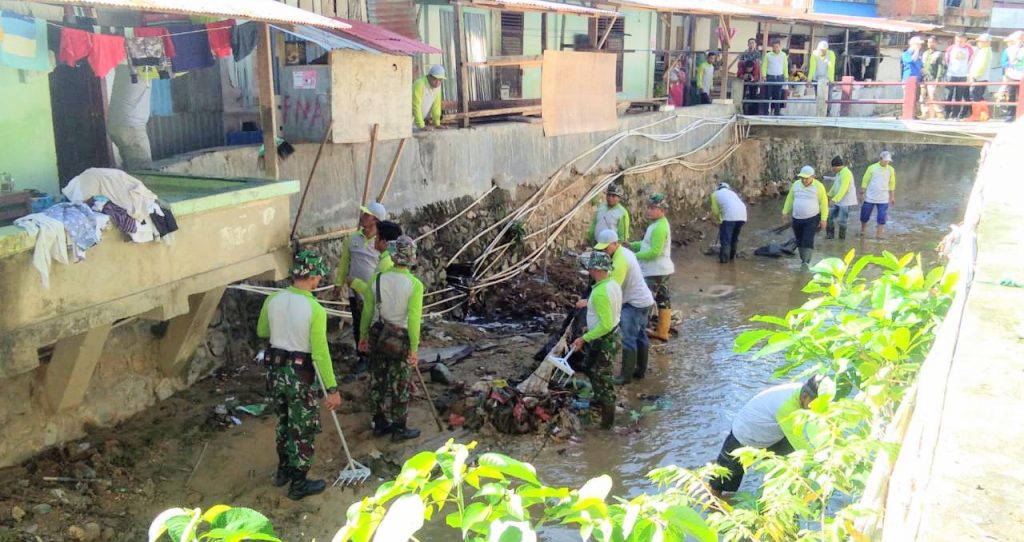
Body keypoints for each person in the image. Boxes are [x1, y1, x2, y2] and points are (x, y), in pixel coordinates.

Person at [256, 250, 341, 501]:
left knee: (283, 421)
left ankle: (283, 471)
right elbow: (320, 354)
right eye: (318, 277)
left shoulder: (273, 299)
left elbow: (262, 331)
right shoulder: (315, 309)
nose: (319, 281)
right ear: (312, 277)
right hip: (299, 376)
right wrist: (332, 389)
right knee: (302, 428)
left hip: (275, 372)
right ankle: (299, 483)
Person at [359, 236, 425, 442]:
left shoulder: (377, 279)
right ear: (411, 258)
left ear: (394, 255)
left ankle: (379, 422)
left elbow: (367, 311)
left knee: (377, 379)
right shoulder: (415, 285)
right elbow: (413, 319)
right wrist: (414, 348)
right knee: (400, 383)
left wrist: (363, 336)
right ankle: (399, 427)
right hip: (401, 339)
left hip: (379, 335)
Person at [708, 377, 821, 496]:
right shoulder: (786, 407)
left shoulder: (801, 392)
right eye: (815, 404)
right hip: (747, 434)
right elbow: (799, 441)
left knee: (788, 469)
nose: (817, 409)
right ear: (804, 397)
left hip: (774, 433)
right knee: (724, 476)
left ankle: (779, 496)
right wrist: (820, 463)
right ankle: (714, 499)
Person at [591, 229, 655, 383]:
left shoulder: (620, 261)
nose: (604, 251)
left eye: (606, 248)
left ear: (615, 244)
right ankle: (640, 371)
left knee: (628, 338)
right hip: (645, 300)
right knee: (641, 335)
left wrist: (591, 302)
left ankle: (626, 376)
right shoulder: (625, 253)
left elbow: (612, 288)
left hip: (634, 303)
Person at [570, 251, 623, 428]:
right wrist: (591, 328)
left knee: (603, 378)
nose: (589, 271)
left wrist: (584, 338)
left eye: (591, 268)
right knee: (590, 368)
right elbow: (607, 315)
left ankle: (607, 426)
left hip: (605, 340)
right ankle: (598, 400)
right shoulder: (613, 284)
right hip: (611, 333)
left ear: (597, 269)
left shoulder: (600, 292)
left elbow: (605, 325)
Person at [335, 202, 388, 375]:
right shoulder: (352, 239)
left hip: (374, 293)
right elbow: (344, 263)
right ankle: (363, 357)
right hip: (355, 292)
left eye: (366, 215)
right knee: (358, 324)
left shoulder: (381, 243)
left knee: (376, 324)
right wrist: (338, 284)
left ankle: (376, 355)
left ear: (375, 220)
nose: (362, 217)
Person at [631, 193, 674, 341]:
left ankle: (640, 330)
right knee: (663, 299)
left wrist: (634, 256)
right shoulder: (658, 224)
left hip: (654, 271)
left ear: (662, 210)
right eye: (648, 207)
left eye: (653, 208)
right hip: (663, 270)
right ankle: (662, 331)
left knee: (645, 299)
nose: (649, 211)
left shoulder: (659, 228)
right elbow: (646, 244)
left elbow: (654, 252)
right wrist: (632, 245)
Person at [781, 165, 829, 266]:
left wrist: (823, 219)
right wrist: (785, 212)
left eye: (806, 178)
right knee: (799, 240)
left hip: (812, 218)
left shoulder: (819, 186)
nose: (804, 180)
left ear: (813, 177)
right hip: (797, 218)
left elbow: (824, 203)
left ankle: (806, 262)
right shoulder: (796, 185)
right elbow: (790, 199)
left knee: (807, 240)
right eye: (802, 178)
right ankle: (803, 259)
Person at [349, 220, 402, 301]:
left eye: (377, 236)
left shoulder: (385, 263)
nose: (375, 238)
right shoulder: (388, 259)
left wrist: (355, 283)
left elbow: (375, 293)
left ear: (384, 242)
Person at [860, 151, 897, 240]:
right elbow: (865, 181)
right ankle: (863, 230)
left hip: (883, 198)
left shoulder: (891, 170)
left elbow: (892, 184)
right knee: (865, 215)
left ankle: (879, 235)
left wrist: (892, 197)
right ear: (880, 159)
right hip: (870, 197)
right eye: (885, 160)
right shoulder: (871, 168)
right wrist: (862, 193)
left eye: (888, 161)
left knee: (881, 217)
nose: (887, 162)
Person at [710, 181, 747, 264]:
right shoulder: (732, 193)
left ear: (718, 188)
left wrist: (719, 221)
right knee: (734, 238)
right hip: (743, 216)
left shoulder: (714, 194)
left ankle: (724, 261)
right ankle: (731, 258)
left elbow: (716, 211)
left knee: (726, 239)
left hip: (730, 217)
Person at [824, 156, 857, 241]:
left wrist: (834, 200)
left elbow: (843, 189)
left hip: (845, 202)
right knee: (828, 216)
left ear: (836, 166)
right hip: (838, 201)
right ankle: (830, 236)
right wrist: (828, 195)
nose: (832, 169)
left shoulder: (846, 174)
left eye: (832, 167)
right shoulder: (839, 173)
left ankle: (841, 239)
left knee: (842, 221)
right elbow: (835, 186)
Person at [944, 33, 973, 120]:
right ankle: (946, 113)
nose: (959, 43)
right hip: (951, 74)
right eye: (957, 41)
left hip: (962, 75)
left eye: (961, 41)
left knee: (959, 96)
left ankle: (955, 115)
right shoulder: (951, 48)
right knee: (948, 95)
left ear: (965, 41)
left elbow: (970, 62)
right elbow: (947, 60)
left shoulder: (969, 49)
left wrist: (967, 74)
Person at [968, 33, 993, 119]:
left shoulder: (986, 51)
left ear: (987, 42)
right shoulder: (984, 51)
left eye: (981, 41)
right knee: (979, 97)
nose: (979, 43)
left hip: (979, 78)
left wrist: (975, 76)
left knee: (975, 97)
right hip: (981, 78)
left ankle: (976, 116)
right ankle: (984, 115)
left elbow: (982, 65)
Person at [412, 65, 445, 130]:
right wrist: (421, 126)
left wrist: (437, 124)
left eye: (440, 80)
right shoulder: (420, 84)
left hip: (417, 123)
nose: (437, 83)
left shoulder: (437, 87)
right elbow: (416, 106)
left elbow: (436, 106)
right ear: (429, 76)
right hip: (406, 121)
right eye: (435, 79)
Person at [921, 37, 946, 120]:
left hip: (933, 78)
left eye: (932, 42)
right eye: (928, 42)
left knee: (934, 96)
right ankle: (925, 113)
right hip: (924, 78)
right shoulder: (925, 53)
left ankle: (939, 114)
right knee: (923, 96)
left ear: (936, 43)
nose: (930, 44)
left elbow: (941, 67)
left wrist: (938, 79)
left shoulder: (939, 54)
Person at [762, 40, 789, 116]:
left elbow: (785, 66)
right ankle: (766, 112)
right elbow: (764, 66)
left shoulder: (783, 55)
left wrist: (786, 76)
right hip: (770, 77)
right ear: (772, 47)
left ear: (779, 46)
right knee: (767, 95)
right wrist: (764, 75)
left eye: (777, 46)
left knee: (778, 96)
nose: (775, 48)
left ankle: (776, 113)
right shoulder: (768, 55)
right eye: (774, 47)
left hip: (779, 77)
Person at [1002, 31, 1024, 121]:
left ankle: (1021, 116)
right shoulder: (1008, 50)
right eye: (1019, 38)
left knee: (1022, 97)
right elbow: (1003, 63)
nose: (1020, 40)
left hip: (1022, 77)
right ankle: (1010, 115)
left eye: (1022, 37)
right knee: (1011, 96)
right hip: (1011, 76)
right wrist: (1010, 64)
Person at [738, 39, 762, 115]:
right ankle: (742, 110)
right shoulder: (744, 53)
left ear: (755, 44)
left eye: (753, 43)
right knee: (742, 94)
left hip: (754, 73)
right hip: (744, 72)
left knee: (753, 94)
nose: (751, 44)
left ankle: (753, 112)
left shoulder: (758, 54)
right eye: (750, 43)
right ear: (748, 44)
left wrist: (755, 77)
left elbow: (759, 66)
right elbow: (740, 64)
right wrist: (742, 75)